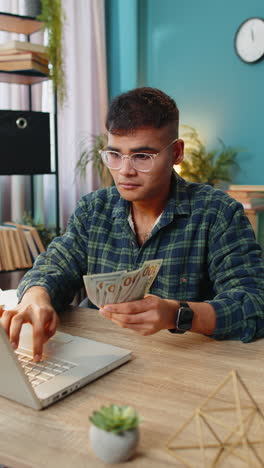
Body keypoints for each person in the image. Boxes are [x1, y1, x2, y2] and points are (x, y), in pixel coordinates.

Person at [1, 87, 264, 362]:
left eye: (142, 157)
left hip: (181, 366)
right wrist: (35, 299)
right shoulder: (94, 209)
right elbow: (54, 266)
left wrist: (177, 314)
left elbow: (254, 303)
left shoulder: (218, 213)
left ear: (176, 153)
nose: (125, 170)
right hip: (98, 358)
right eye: (114, 154)